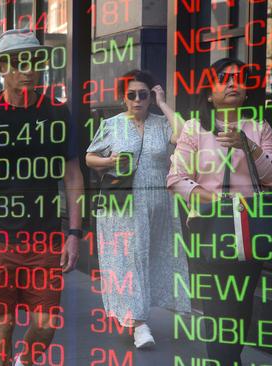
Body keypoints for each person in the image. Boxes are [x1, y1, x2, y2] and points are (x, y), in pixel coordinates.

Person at [0, 29, 84, 366]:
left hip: (44, 238)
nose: (30, 70)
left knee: (46, 323)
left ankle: (24, 361)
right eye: (22, 62)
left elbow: (73, 175)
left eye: (36, 62)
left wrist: (74, 234)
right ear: (4, 68)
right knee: (3, 320)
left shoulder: (57, 113)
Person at [166, 58, 272, 364]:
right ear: (210, 93)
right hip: (210, 230)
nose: (233, 83)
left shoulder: (258, 128)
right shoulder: (195, 129)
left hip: (250, 232)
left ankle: (230, 357)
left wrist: (249, 147)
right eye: (223, 78)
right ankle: (224, 360)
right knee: (219, 308)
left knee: (242, 305)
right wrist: (214, 200)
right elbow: (176, 178)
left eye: (238, 78)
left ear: (246, 93)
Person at [85, 69, 188, 348]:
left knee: (151, 257)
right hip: (122, 204)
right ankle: (140, 325)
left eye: (144, 95)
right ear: (123, 98)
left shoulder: (160, 123)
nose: (138, 100)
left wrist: (164, 103)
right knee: (128, 259)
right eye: (132, 95)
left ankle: (132, 315)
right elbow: (90, 158)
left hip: (158, 204)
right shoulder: (112, 124)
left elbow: (184, 137)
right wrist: (109, 161)